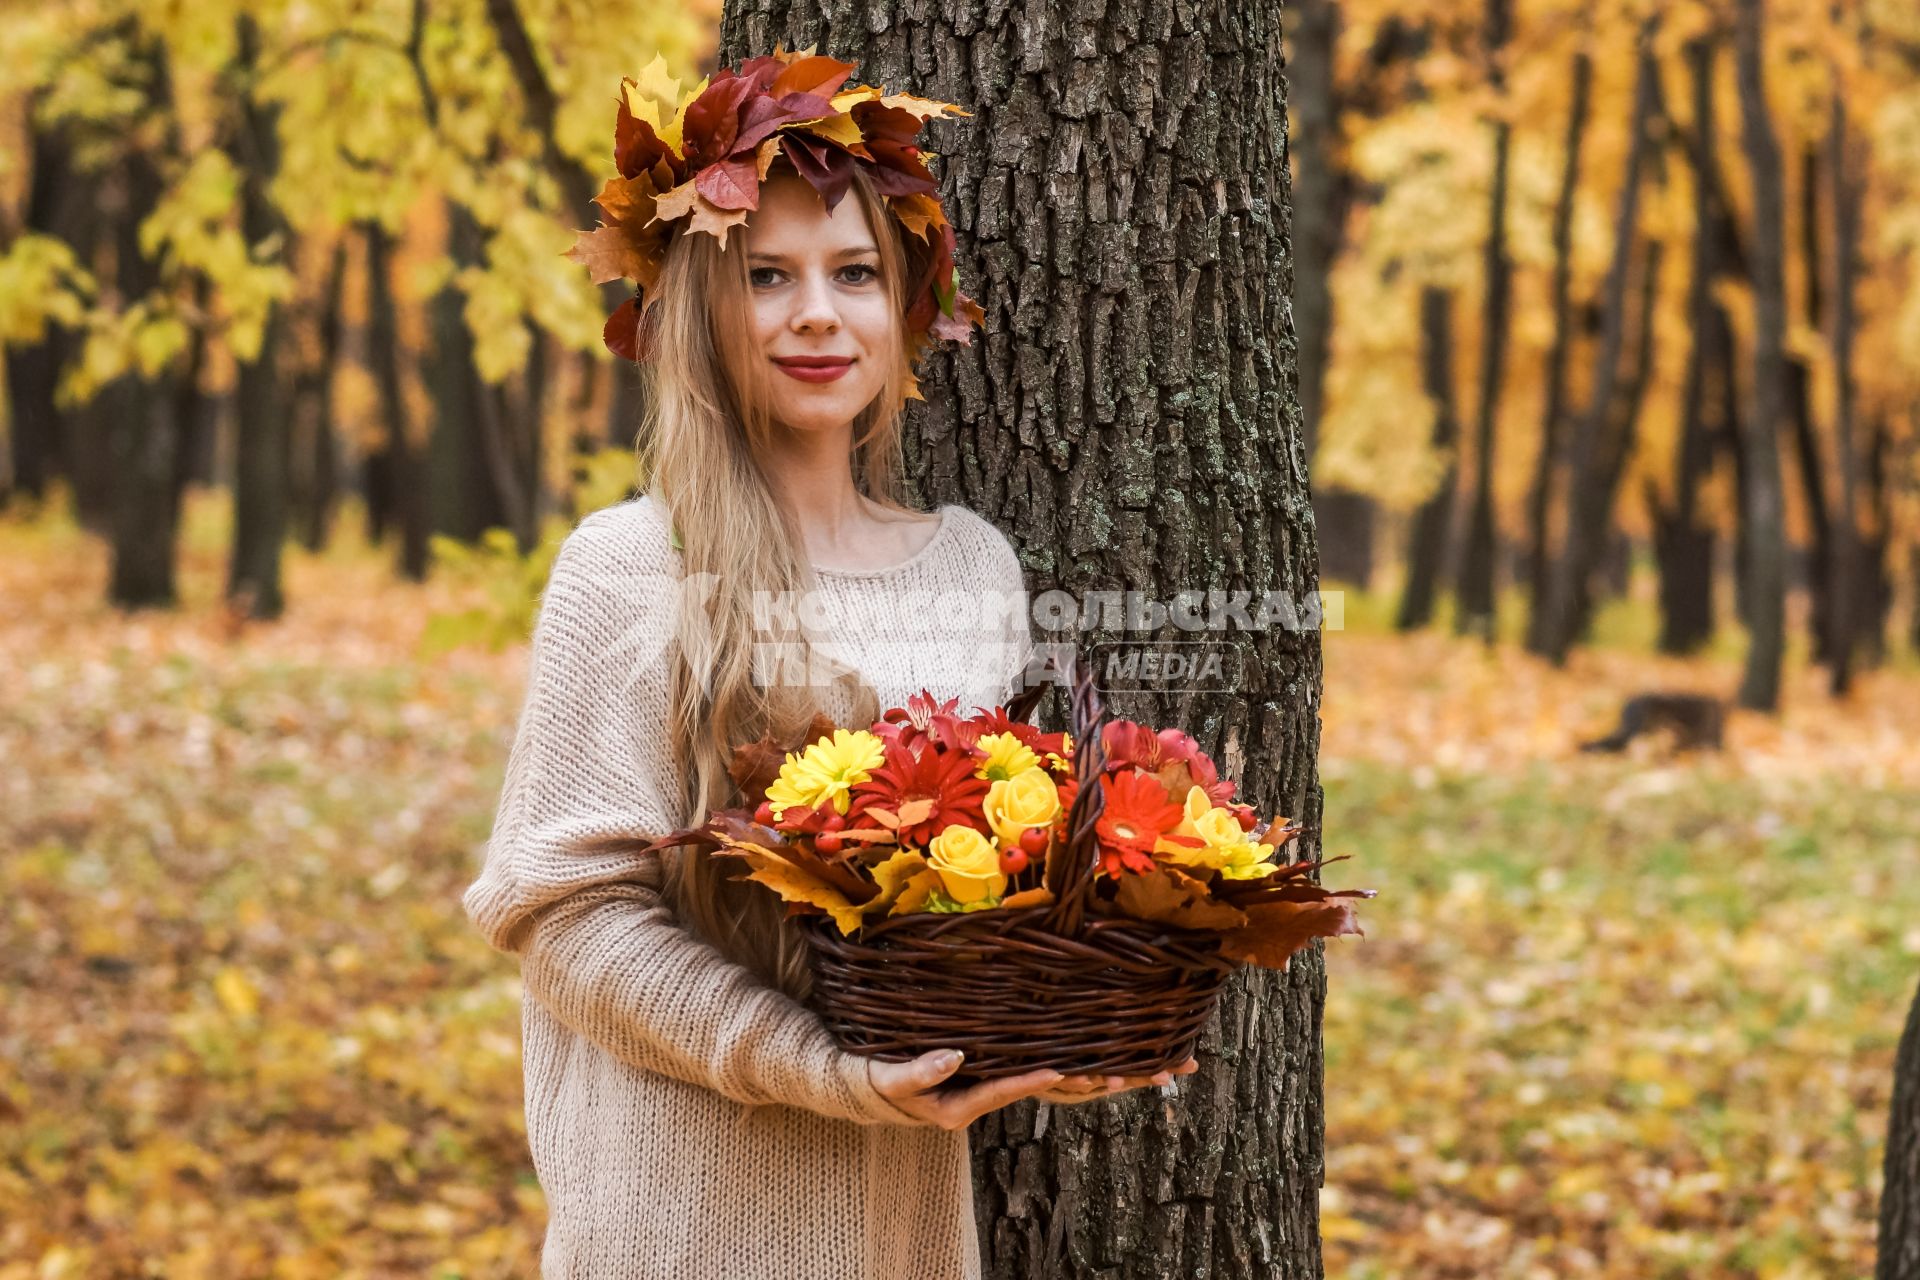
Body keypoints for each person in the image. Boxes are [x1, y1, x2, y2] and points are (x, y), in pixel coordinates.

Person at [462, 50, 1197, 1280]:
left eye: (854, 272)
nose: (818, 313)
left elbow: (989, 897)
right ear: (703, 307)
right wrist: (824, 1069)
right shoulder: (632, 565)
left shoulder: (972, 567)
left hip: (900, 1230)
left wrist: (1086, 1000)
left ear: (900, 301)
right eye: (768, 277)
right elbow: (566, 919)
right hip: (678, 1219)